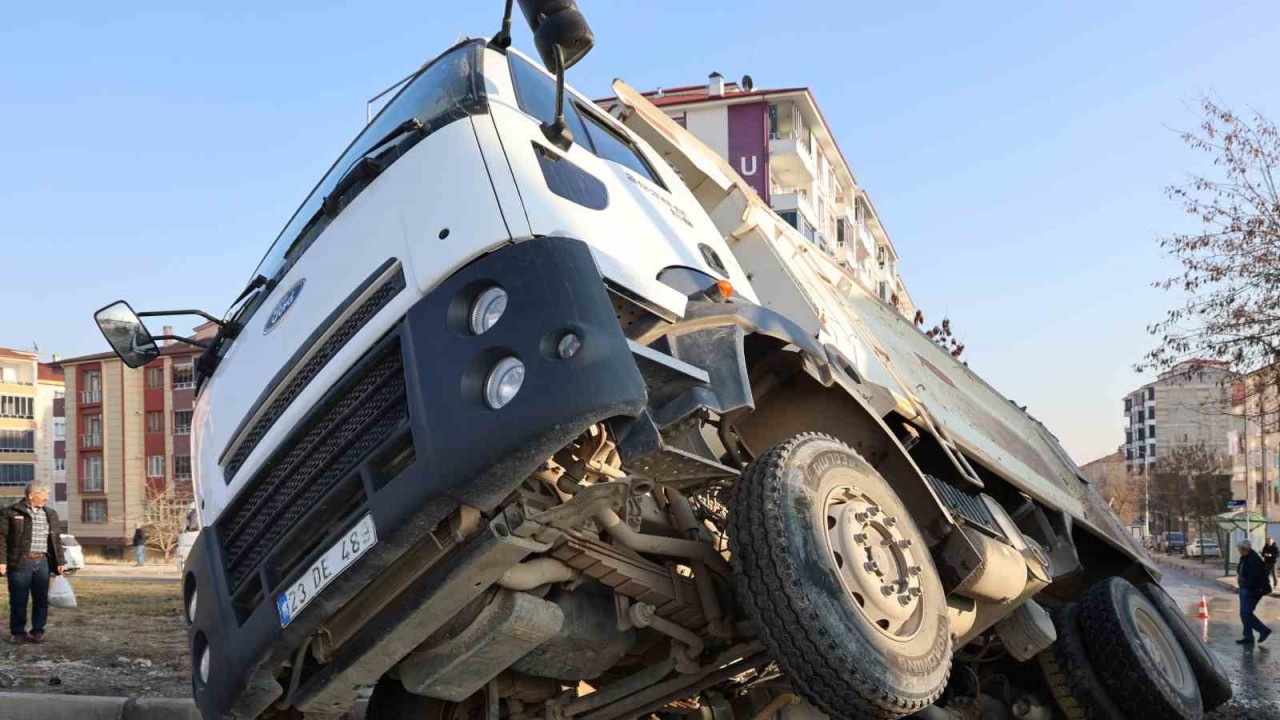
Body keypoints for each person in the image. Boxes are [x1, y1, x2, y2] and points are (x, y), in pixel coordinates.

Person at [0, 482, 66, 644]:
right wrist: (1, 561)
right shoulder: (10, 512)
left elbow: (55, 539)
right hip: (20, 562)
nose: (47, 498)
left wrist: (60, 561)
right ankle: (18, 632)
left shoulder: (51, 514)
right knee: (18, 600)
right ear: (31, 495)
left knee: (41, 599)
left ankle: (38, 631)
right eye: (44, 494)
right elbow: (1, 539)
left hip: (42, 561)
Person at [1236, 539, 1273, 646]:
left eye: (1239, 548)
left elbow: (1255, 577)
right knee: (1244, 614)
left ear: (1244, 548)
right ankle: (1248, 637)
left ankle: (1263, 630)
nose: (1238, 550)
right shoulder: (1244, 557)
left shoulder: (1253, 559)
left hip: (1251, 590)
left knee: (1246, 613)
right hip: (1244, 588)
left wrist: (1249, 587)